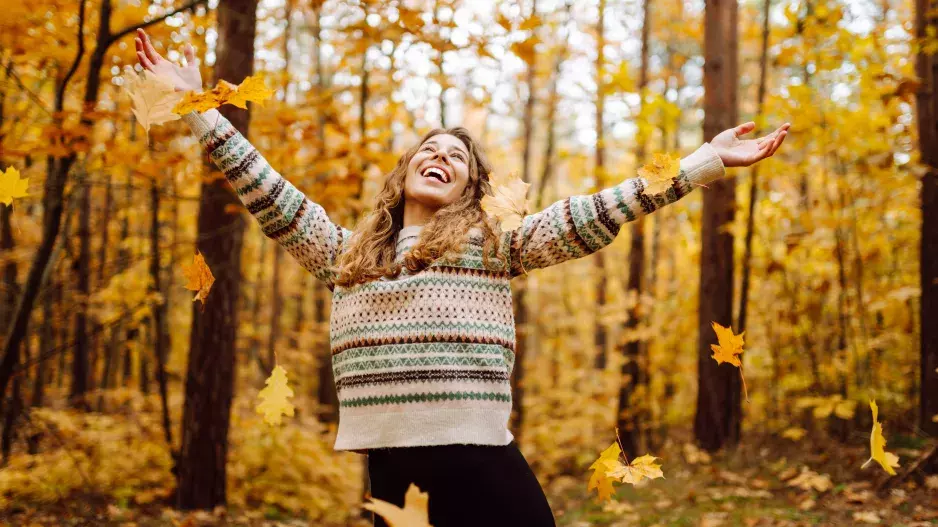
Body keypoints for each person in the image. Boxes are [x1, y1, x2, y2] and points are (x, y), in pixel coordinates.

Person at [135, 28, 789, 527]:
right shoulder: (345, 253)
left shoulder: (491, 242)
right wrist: (196, 107)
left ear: (470, 188)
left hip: (476, 452)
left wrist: (702, 161)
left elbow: (594, 211)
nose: (440, 156)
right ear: (406, 171)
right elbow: (266, 188)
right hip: (389, 464)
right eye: (430, 148)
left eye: (457, 157)